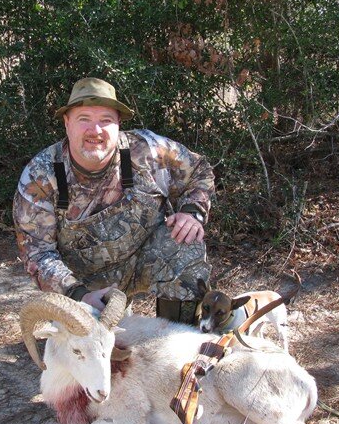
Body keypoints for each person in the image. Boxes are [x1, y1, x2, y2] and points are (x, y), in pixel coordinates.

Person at [12, 77, 214, 324]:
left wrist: (192, 212)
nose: (95, 131)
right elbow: (37, 254)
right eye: (84, 119)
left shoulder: (148, 150)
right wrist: (77, 294)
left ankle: (179, 338)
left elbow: (199, 171)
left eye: (105, 120)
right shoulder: (40, 177)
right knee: (91, 349)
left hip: (145, 258)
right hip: (84, 284)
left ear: (118, 123)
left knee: (185, 239)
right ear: (67, 123)